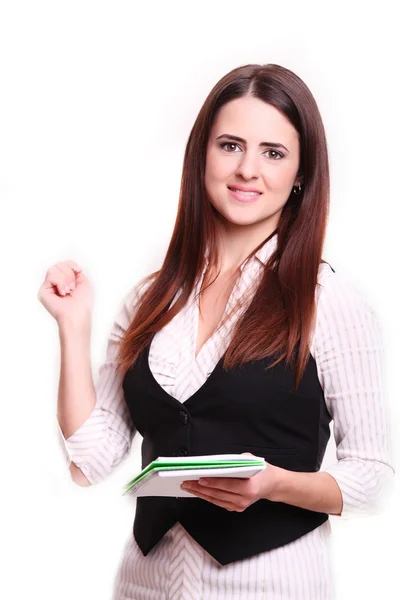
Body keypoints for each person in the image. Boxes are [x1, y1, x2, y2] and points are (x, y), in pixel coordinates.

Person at [38, 63, 395, 599]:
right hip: (145, 585)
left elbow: (372, 477)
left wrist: (276, 484)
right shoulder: (149, 299)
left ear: (300, 173)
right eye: (230, 145)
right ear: (202, 154)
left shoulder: (327, 301)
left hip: (273, 586)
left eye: (273, 153)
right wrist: (73, 325)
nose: (248, 168)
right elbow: (90, 461)